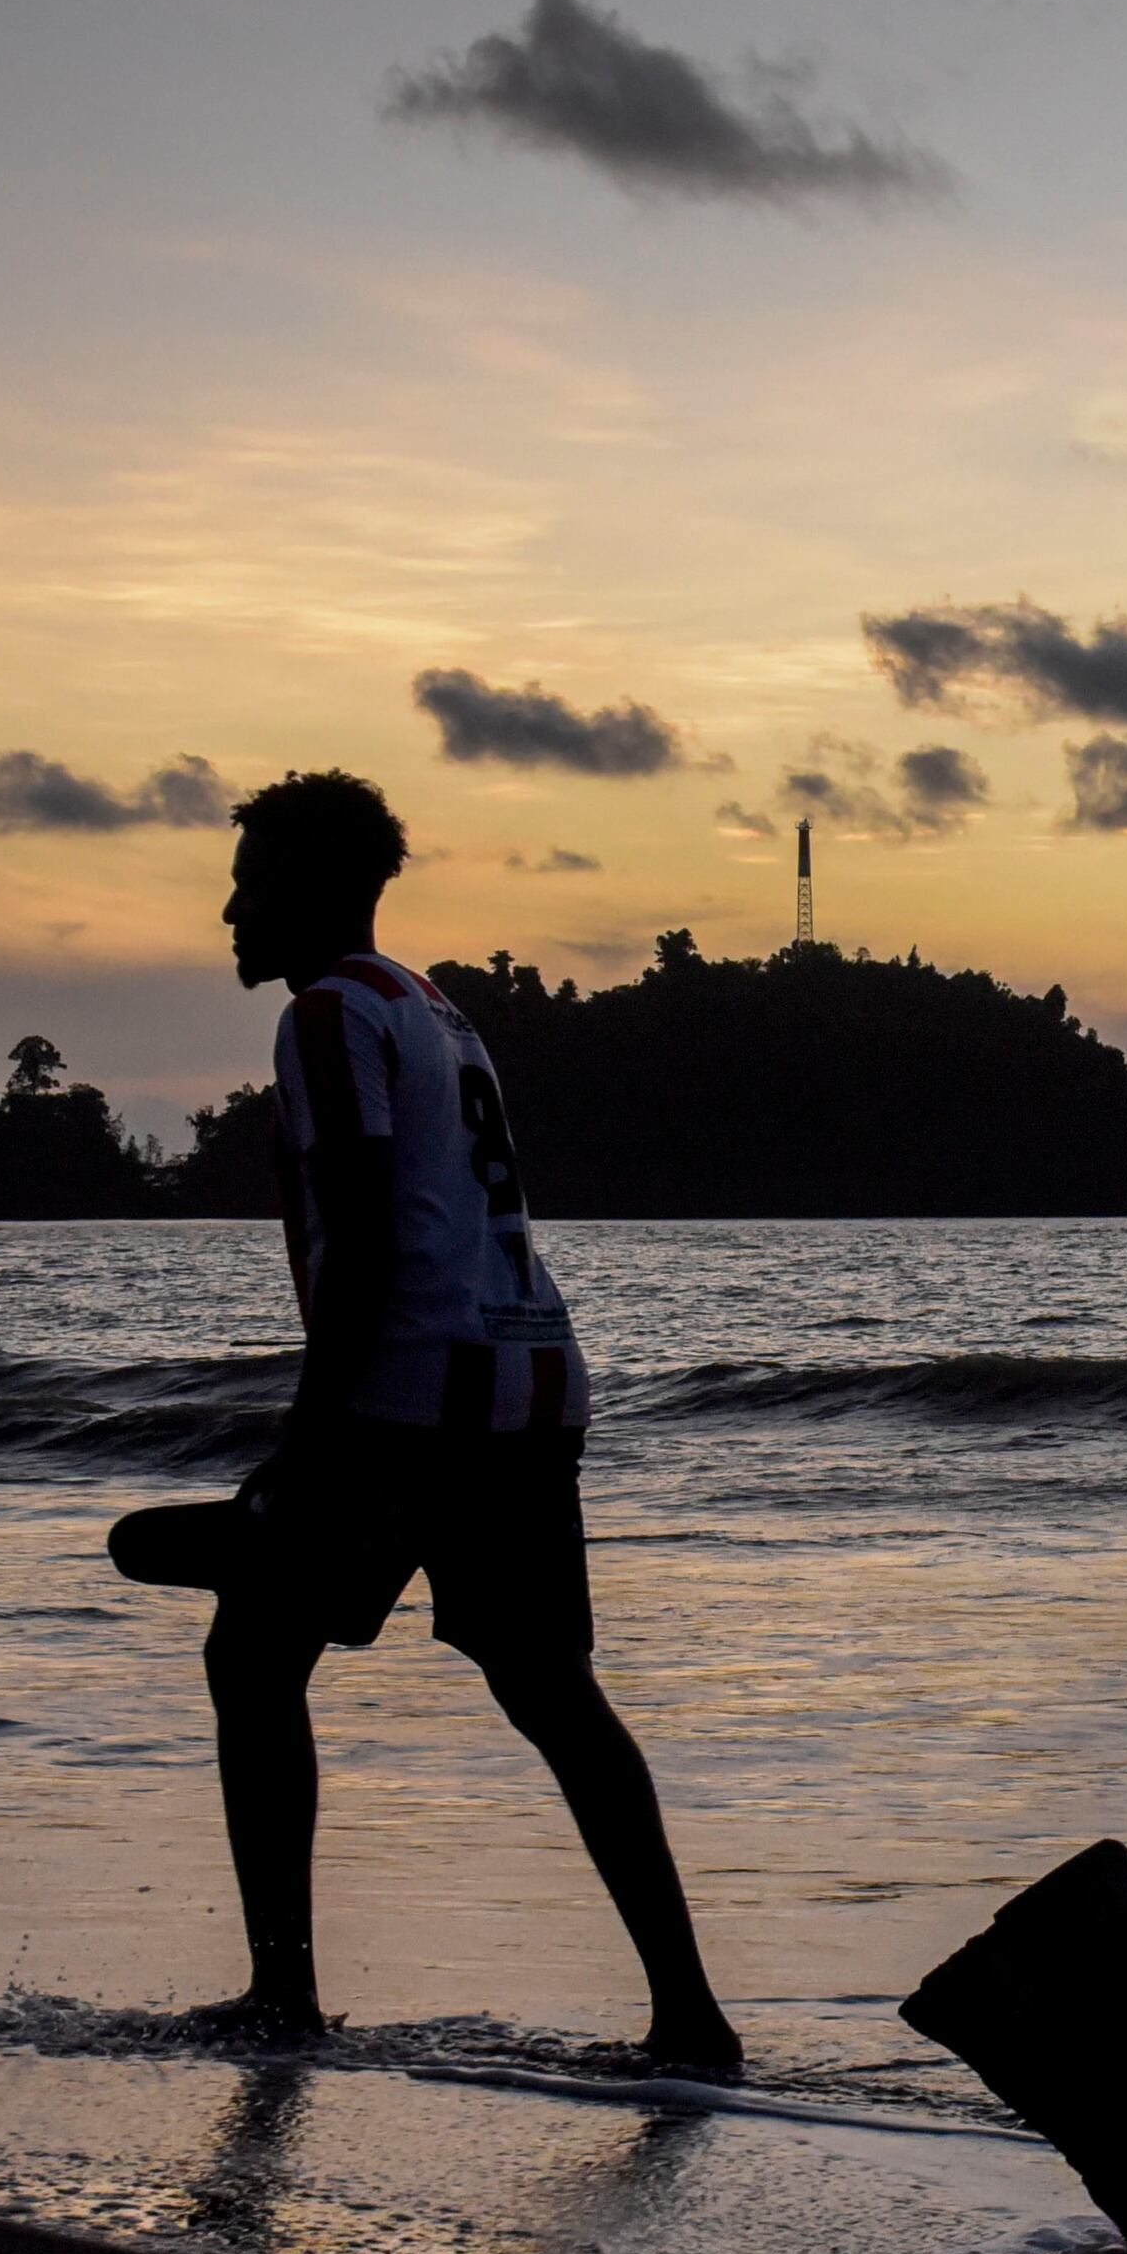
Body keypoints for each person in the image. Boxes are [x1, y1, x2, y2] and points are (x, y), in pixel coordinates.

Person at [181, 768, 740, 2066]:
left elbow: (372, 1238)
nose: (229, 906)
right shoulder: (435, 1008)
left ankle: (282, 1997)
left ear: (316, 891)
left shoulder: (325, 1016)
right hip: (534, 1386)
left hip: (412, 1401)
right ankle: (692, 2014)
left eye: (251, 878)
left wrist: (307, 1445)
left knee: (253, 1658)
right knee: (554, 1691)